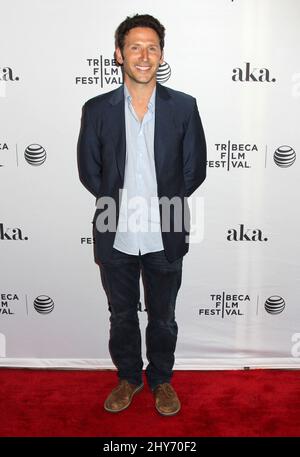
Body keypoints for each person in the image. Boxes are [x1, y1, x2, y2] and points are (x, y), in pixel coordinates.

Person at [77, 13, 206, 416]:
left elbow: (194, 169)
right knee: (121, 315)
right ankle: (130, 377)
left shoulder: (184, 107)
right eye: (135, 46)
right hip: (114, 230)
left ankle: (162, 380)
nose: (144, 55)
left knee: (163, 317)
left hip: (164, 229)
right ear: (119, 54)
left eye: (152, 47)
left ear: (161, 54)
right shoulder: (97, 109)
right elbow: (89, 170)